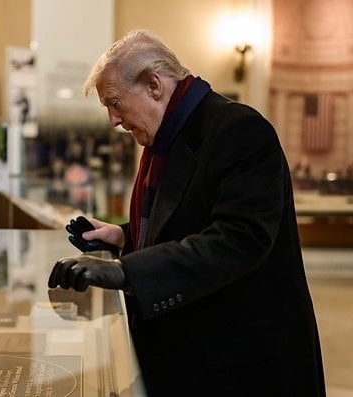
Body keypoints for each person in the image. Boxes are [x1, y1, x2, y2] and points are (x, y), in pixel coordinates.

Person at [48, 29, 325, 396]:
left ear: (154, 85)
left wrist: (126, 271)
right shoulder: (170, 134)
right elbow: (187, 219)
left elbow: (238, 239)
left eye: (115, 102)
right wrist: (124, 236)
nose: (113, 119)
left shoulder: (239, 129)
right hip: (195, 353)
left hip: (241, 362)